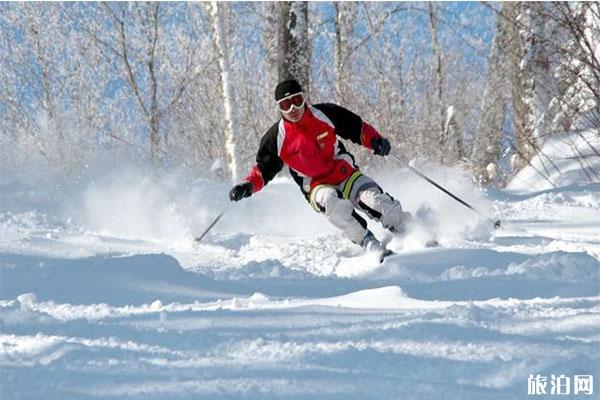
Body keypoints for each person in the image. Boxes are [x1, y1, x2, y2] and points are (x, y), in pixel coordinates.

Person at [229, 79, 411, 254]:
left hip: (344, 172)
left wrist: (376, 141)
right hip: (315, 185)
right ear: (279, 108)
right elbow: (263, 170)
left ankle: (412, 232)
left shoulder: (325, 113)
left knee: (375, 201)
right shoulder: (276, 137)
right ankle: (368, 242)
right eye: (286, 105)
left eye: (296, 101)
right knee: (331, 202)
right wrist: (248, 186)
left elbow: (357, 128)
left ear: (304, 99)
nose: (293, 109)